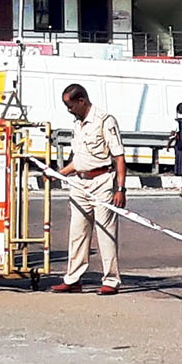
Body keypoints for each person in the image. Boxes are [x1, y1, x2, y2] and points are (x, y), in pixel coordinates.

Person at [52, 83, 126, 294]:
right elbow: (80, 160)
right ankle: (73, 278)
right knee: (77, 233)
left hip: (102, 181)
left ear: (82, 101)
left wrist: (120, 188)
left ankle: (111, 280)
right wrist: (60, 173)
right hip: (79, 183)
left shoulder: (104, 120)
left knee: (105, 233)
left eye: (70, 105)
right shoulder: (78, 124)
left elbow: (119, 157)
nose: (69, 110)